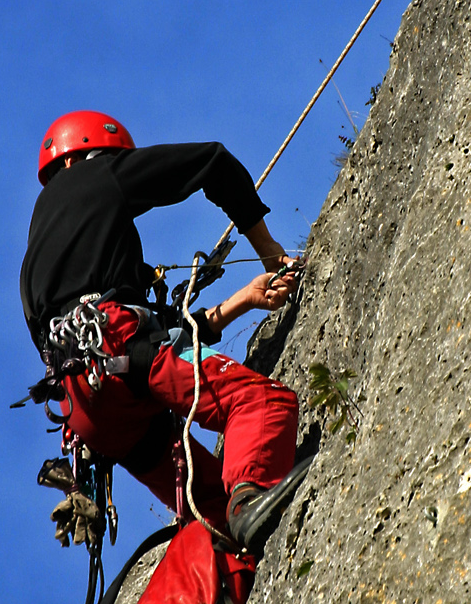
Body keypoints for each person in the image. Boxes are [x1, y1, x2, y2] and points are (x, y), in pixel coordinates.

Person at [20, 110, 307, 554]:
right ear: (84, 159)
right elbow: (214, 162)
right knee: (261, 403)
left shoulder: (38, 265)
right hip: (119, 349)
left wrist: (244, 301)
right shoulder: (94, 178)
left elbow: (163, 340)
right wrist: (270, 253)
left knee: (210, 509)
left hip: (89, 408)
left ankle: (225, 580)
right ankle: (250, 502)